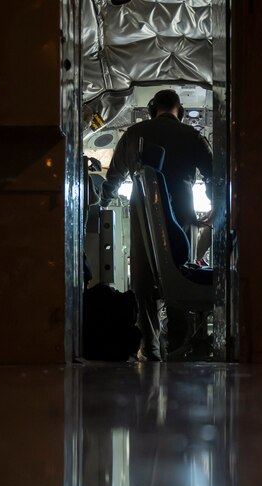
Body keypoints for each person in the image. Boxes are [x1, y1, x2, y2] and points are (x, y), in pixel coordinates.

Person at [100, 89, 213, 360]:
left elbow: (112, 179)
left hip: (142, 217)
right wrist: (215, 209)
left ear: (153, 108)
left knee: (143, 280)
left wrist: (101, 204)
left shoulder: (132, 135)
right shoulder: (193, 136)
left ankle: (149, 346)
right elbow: (214, 178)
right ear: (179, 110)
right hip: (182, 218)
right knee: (180, 274)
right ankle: (177, 344)